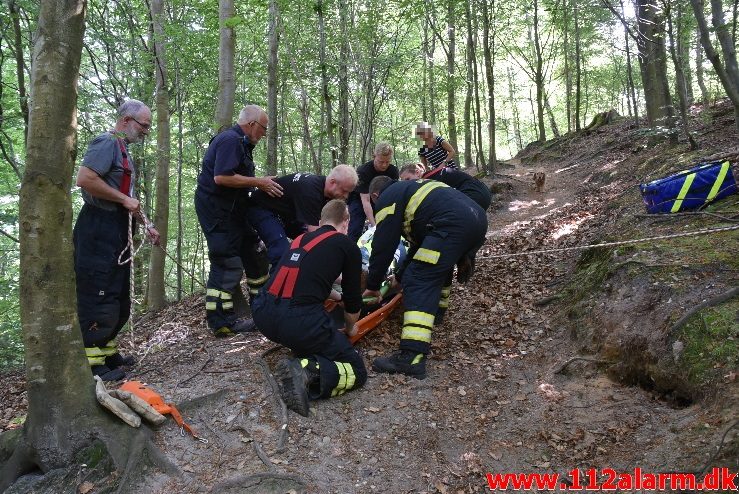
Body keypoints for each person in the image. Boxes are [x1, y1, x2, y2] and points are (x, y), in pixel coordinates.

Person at [362, 176, 487, 379]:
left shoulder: (387, 199)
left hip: (453, 224)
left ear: (375, 196)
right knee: (435, 266)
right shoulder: (412, 189)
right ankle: (436, 314)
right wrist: (400, 275)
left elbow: (383, 245)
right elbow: (419, 246)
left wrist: (373, 285)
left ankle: (412, 356)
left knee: (419, 280)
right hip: (477, 218)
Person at [252, 199, 366, 416]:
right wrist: (351, 329)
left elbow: (305, 281)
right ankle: (305, 371)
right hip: (298, 323)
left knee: (304, 330)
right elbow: (353, 301)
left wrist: (336, 296)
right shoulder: (347, 246)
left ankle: (303, 355)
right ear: (346, 221)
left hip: (263, 314)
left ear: (321, 221)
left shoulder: (300, 240)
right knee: (357, 371)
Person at [74, 99, 160, 381]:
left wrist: (145, 224)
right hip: (98, 228)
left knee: (117, 297)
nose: (146, 132)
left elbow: (128, 199)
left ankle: (108, 353)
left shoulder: (124, 151)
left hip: (118, 228)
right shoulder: (107, 142)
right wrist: (125, 200)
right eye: (144, 125)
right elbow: (85, 179)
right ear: (125, 121)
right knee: (98, 296)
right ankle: (92, 365)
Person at [195, 104, 283, 337]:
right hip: (218, 213)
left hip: (236, 212)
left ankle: (260, 309)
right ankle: (221, 322)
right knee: (227, 263)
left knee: (255, 255)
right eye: (263, 129)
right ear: (252, 124)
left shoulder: (243, 145)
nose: (264, 135)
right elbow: (222, 177)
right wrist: (259, 182)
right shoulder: (230, 140)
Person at [248, 164, 359, 269]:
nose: (346, 196)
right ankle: (276, 287)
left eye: (348, 192)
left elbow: (327, 227)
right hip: (262, 208)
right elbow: (315, 235)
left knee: (309, 245)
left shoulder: (326, 192)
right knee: (281, 251)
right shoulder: (311, 191)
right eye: (344, 191)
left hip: (286, 214)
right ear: (332, 182)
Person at [346, 142, 399, 241]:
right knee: (356, 226)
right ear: (374, 156)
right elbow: (365, 201)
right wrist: (374, 226)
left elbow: (393, 196)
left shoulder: (393, 171)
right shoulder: (363, 171)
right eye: (381, 161)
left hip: (381, 199)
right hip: (359, 199)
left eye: (387, 162)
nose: (384, 165)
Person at [400, 162, 492, 211]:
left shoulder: (429, 179)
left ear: (417, 172)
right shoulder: (433, 175)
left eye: (408, 179)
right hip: (482, 191)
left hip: (474, 192)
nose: (407, 184)